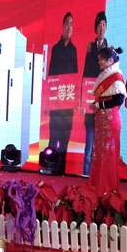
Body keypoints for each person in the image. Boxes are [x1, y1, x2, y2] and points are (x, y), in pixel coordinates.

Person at [89, 46, 126, 193]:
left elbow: (119, 99)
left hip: (110, 120)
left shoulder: (116, 75)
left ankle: (107, 187)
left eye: (102, 59)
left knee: (109, 153)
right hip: (101, 119)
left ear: (110, 60)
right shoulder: (105, 74)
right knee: (99, 152)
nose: (99, 62)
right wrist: (96, 105)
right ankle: (97, 184)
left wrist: (99, 105)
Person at [48, 11, 77, 173]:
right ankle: (51, 167)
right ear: (62, 26)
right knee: (54, 137)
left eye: (71, 24)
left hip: (68, 102)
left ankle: (62, 170)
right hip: (55, 102)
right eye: (67, 24)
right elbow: (51, 76)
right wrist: (48, 101)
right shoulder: (55, 49)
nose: (69, 27)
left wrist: (76, 99)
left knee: (65, 137)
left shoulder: (74, 50)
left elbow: (75, 76)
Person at [82, 11, 108, 176]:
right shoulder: (90, 48)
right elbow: (85, 75)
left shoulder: (110, 50)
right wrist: (81, 99)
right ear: (95, 28)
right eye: (99, 25)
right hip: (91, 104)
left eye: (104, 25)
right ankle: (85, 177)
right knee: (88, 150)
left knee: (101, 150)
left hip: (104, 107)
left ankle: (99, 180)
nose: (101, 28)